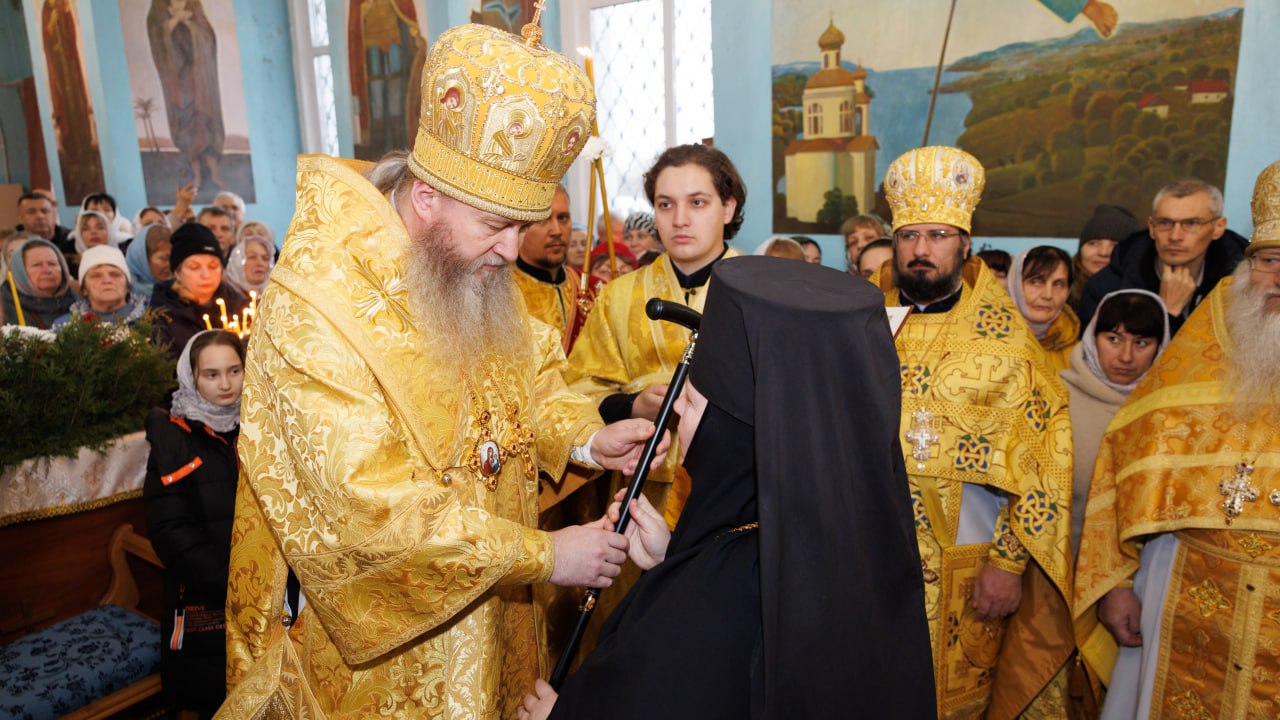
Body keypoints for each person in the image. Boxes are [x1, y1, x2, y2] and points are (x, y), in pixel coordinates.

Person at [217, 21, 668, 720]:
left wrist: (587, 439)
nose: (512, 251)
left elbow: (529, 381)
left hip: (497, 617)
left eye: (521, 228)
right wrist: (547, 557)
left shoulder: (468, 266)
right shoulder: (318, 306)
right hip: (385, 660)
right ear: (426, 197)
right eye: (497, 226)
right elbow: (366, 507)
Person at [524, 257, 936, 719]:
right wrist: (677, 557)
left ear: (733, 431)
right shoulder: (857, 547)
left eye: (691, 400)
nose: (678, 410)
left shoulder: (711, 600)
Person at [1074, 161, 1280, 719]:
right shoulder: (1206, 336)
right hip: (1189, 586)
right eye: (1270, 260)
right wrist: (1117, 582)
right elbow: (1128, 455)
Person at [873, 146, 1074, 718]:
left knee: (953, 701)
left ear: (965, 243)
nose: (921, 249)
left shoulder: (1009, 342)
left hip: (967, 560)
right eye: (910, 236)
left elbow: (1044, 459)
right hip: (866, 554)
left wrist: (1008, 565)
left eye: (938, 235)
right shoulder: (859, 324)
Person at [568, 143, 746, 527]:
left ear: (728, 208)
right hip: (641, 493)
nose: (680, 219)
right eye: (666, 205)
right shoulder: (618, 296)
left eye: (697, 203)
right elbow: (575, 392)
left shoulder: (761, 294)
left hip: (736, 494)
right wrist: (632, 406)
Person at [144, 330, 247, 718]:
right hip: (208, 592)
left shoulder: (259, 424)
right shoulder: (175, 436)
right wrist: (231, 581)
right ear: (191, 376)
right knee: (218, 699)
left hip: (263, 591)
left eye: (234, 370)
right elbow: (170, 529)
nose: (226, 384)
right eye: (211, 374)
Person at [1058, 290, 1168, 557]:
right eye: (1114, 339)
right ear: (1092, 338)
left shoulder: (1167, 409)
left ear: (1160, 347)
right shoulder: (1058, 398)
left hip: (1137, 567)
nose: (1126, 357)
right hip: (1060, 559)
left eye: (1141, 343)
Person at [1079, 178, 1248, 336]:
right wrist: (1166, 313)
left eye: (1191, 223)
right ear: (1152, 227)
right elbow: (1111, 356)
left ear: (1218, 227)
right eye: (1165, 223)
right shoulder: (1105, 288)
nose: (1175, 236)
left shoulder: (1245, 285)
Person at [150, 224, 248, 360]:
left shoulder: (239, 306)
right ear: (177, 272)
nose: (205, 274)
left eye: (213, 266)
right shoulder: (163, 315)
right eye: (194, 267)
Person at [514, 184, 588, 353]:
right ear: (520, 226)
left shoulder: (593, 289)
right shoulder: (502, 295)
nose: (556, 231)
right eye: (542, 219)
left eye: (563, 218)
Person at [1008, 245, 1079, 371]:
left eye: (1058, 284)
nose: (1048, 295)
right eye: (1036, 282)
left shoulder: (1080, 354)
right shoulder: (986, 341)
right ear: (1015, 285)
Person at [53, 245, 149, 328]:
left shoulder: (152, 320)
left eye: (115, 274)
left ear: (127, 285)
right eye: (96, 276)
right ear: (84, 289)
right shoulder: (64, 327)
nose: (107, 280)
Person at [1070, 204, 1139, 311]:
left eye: (1115, 245)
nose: (1103, 252)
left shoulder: (1145, 293)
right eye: (1093, 243)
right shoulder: (1059, 291)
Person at [1, 237, 75, 329]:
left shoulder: (78, 300)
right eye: (36, 265)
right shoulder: (4, 306)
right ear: (19, 271)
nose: (47, 270)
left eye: (52, 264)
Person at [15, 192, 74, 265]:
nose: (40, 216)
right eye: (32, 212)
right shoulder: (13, 245)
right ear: (20, 218)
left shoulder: (72, 241)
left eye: (44, 211)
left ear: (54, 216)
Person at [222, 221, 275, 298]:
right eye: (252, 257)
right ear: (237, 260)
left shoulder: (279, 294)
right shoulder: (224, 293)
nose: (260, 263)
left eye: (265, 258)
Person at [126, 224, 174, 297]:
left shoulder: (180, 290)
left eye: (173, 258)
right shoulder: (122, 293)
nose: (170, 264)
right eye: (163, 259)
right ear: (143, 260)